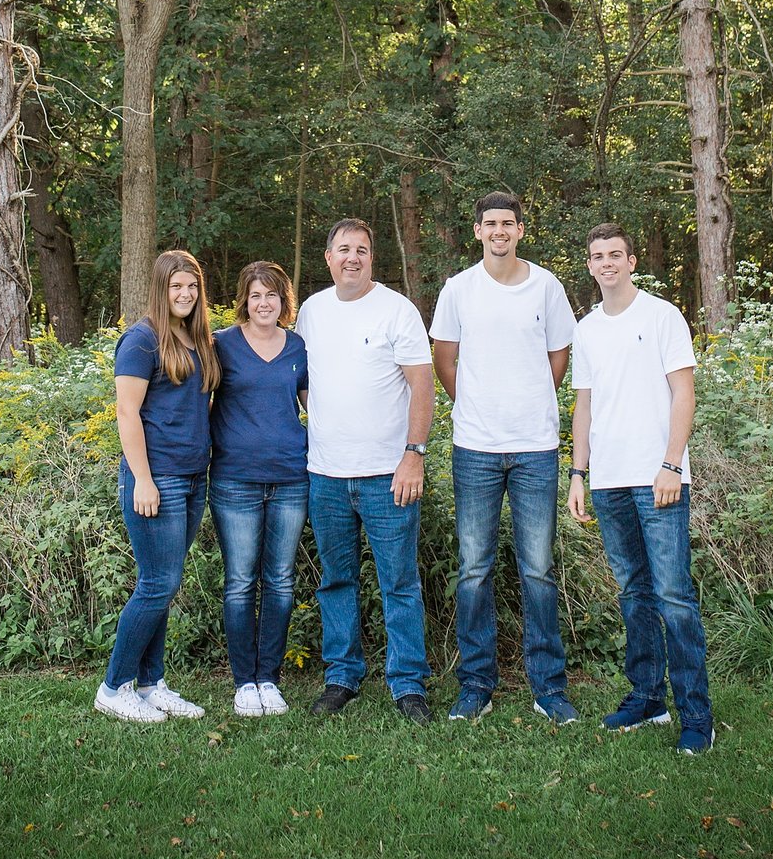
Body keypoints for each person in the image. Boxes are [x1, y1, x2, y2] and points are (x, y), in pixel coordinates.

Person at [430, 191, 578, 725]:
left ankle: (550, 689)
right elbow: (445, 359)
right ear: (477, 231)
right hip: (475, 447)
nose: (499, 231)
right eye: (490, 223)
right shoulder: (458, 289)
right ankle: (476, 686)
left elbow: (557, 357)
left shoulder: (547, 286)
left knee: (537, 569)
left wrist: (530, 399)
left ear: (520, 230)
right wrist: (474, 403)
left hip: (536, 448)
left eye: (508, 223)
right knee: (474, 569)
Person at [568, 222, 714, 754]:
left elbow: (684, 394)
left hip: (659, 481)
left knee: (674, 597)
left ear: (631, 262)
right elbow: (584, 405)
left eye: (615, 255)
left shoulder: (662, 316)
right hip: (608, 482)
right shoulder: (586, 329)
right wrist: (579, 474)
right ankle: (648, 698)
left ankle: (697, 715)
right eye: (597, 256)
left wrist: (671, 465)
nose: (606, 263)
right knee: (633, 594)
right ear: (590, 265)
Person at [294, 218, 435, 725]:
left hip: (388, 475)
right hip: (326, 474)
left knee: (398, 581)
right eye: (343, 249)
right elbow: (305, 380)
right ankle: (342, 677)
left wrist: (413, 453)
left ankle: (408, 684)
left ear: (372, 258)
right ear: (327, 257)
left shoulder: (397, 310)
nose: (353, 257)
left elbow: (423, 385)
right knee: (337, 581)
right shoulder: (311, 311)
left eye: (362, 250)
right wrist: (324, 415)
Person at [94, 249, 220, 724]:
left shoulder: (194, 338)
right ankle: (114, 686)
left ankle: (151, 683)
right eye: (176, 287)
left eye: (192, 286)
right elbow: (127, 415)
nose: (185, 294)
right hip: (156, 478)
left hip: (192, 476)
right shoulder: (142, 340)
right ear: (160, 289)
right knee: (157, 584)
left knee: (163, 585)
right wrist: (143, 480)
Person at [209, 261, 309, 718]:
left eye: (271, 295)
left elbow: (317, 406)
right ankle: (243, 682)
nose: (263, 303)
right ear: (243, 302)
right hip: (235, 480)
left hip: (291, 477)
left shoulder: (299, 347)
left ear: (283, 301)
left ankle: (269, 678)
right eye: (255, 296)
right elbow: (196, 401)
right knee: (240, 582)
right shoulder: (222, 346)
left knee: (282, 582)